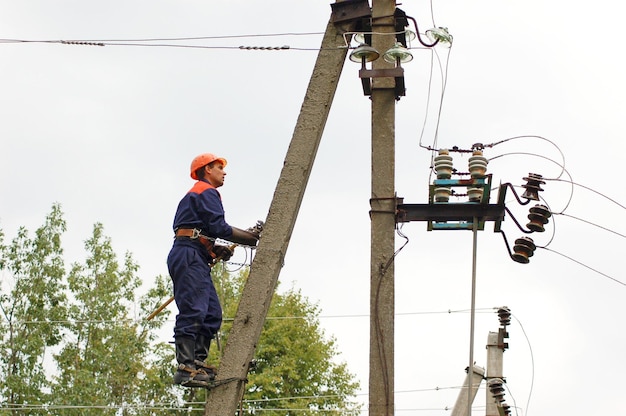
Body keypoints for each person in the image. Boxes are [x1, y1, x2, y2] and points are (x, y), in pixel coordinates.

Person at [167, 153, 260, 388]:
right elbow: (218, 227)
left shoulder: (199, 194)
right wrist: (252, 238)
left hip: (193, 253)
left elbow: (201, 229)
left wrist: (213, 248)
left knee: (211, 313)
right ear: (207, 169)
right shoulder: (205, 191)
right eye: (219, 167)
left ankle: (197, 361)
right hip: (187, 254)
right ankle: (185, 367)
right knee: (194, 309)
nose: (224, 172)